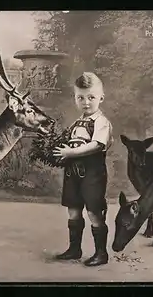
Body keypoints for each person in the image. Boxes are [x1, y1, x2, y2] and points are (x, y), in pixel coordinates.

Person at [52, 72, 113, 267]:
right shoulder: (75, 123)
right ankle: (74, 249)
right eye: (81, 97)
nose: (86, 102)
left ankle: (101, 253)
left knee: (94, 212)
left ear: (101, 98)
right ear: (75, 98)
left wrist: (71, 153)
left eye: (91, 97)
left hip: (92, 175)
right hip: (73, 174)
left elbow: (96, 145)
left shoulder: (101, 122)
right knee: (73, 210)